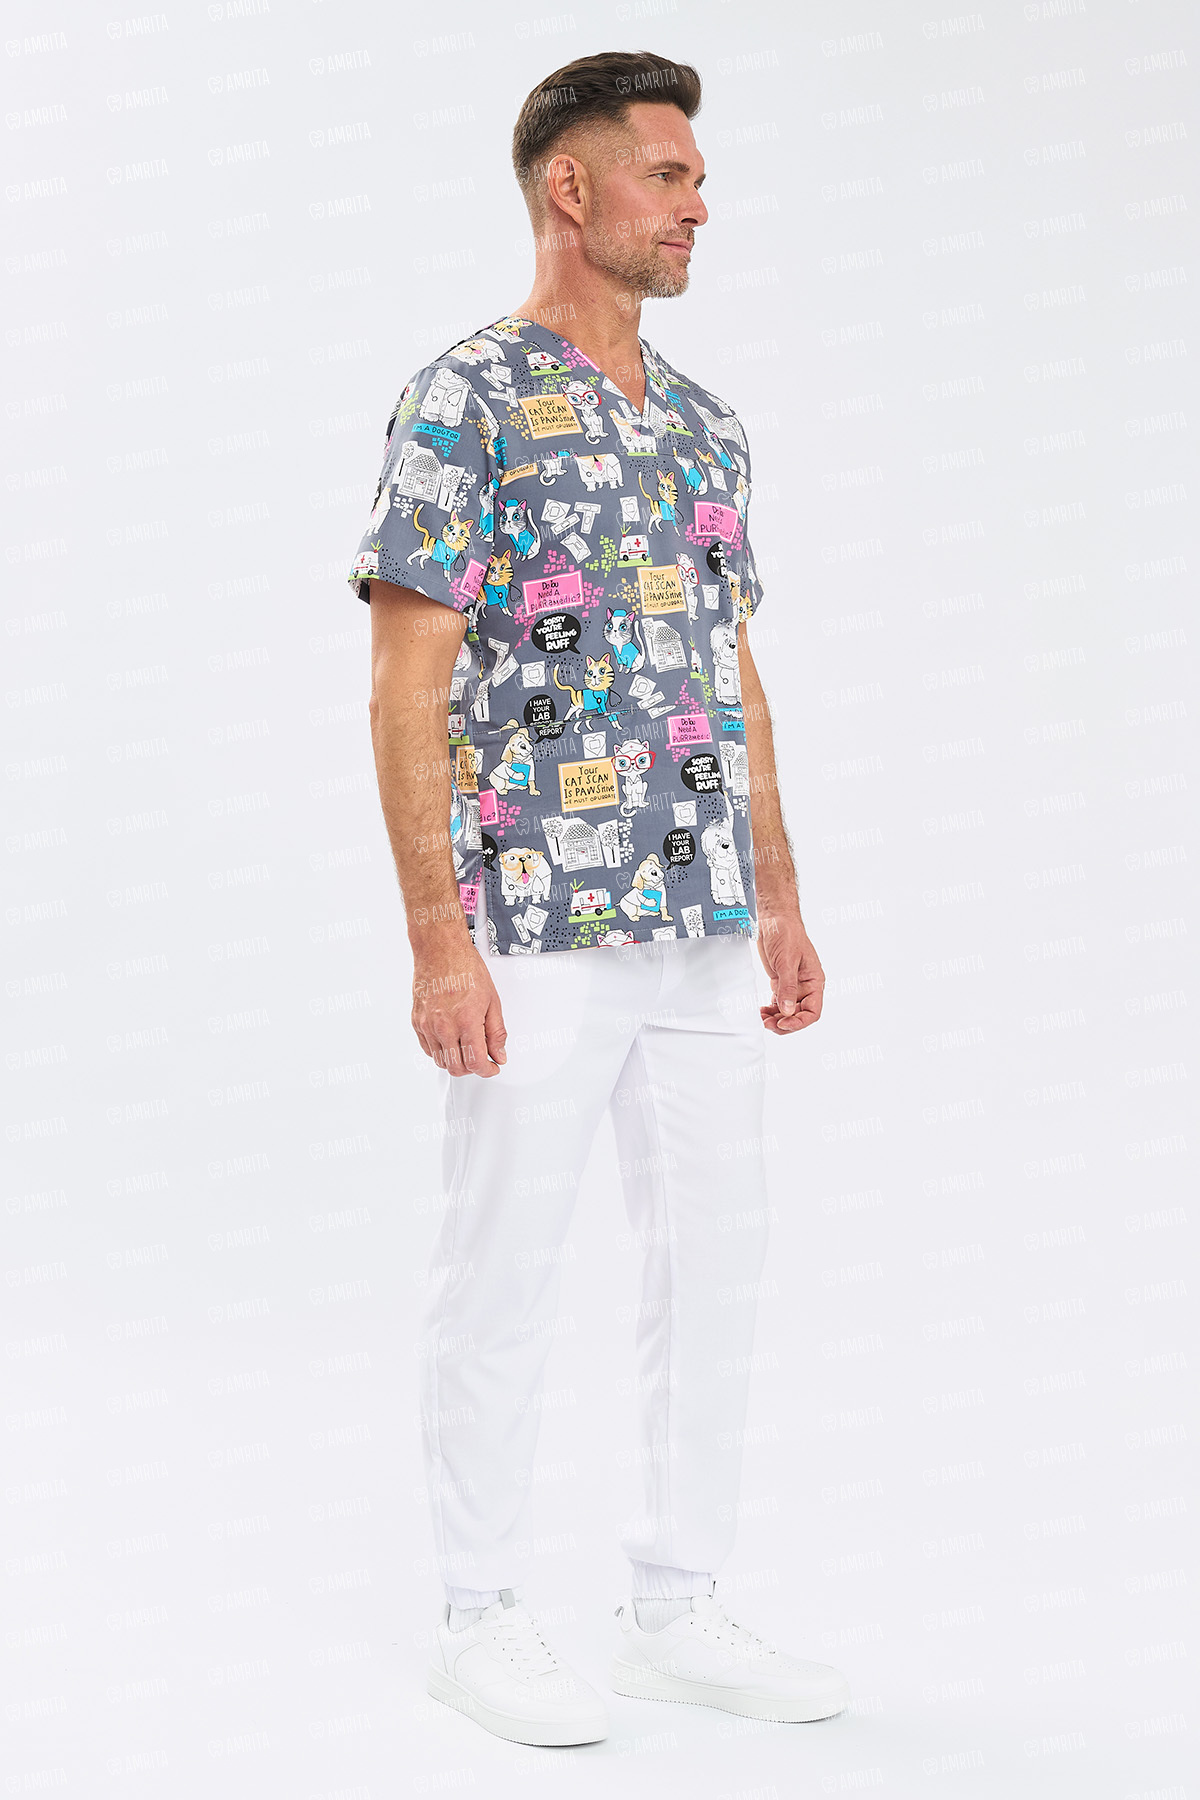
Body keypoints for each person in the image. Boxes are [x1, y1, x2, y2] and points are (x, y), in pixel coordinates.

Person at [346, 50, 849, 1747]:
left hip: (702, 917)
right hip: (536, 919)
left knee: (718, 1265)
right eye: (670, 175)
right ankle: (478, 1616)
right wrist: (438, 940)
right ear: (575, 188)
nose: (702, 205)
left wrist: (781, 894)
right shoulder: (466, 399)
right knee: (504, 1262)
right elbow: (405, 686)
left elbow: (733, 671)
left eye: (698, 178)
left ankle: (675, 1604)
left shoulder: (708, 423)